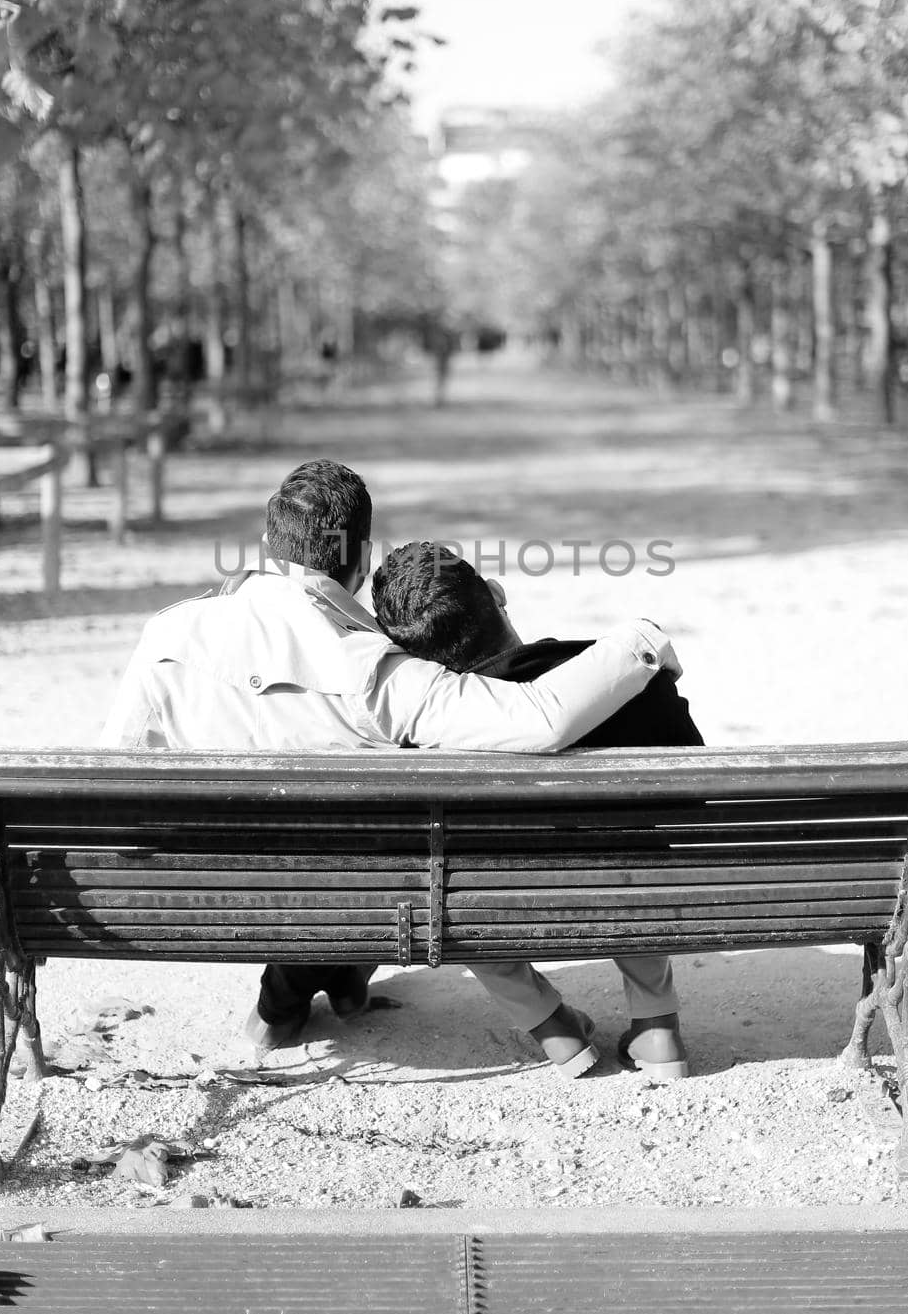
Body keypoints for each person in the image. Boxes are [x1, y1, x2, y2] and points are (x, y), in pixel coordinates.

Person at [101, 460, 683, 1079]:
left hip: (208, 900)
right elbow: (537, 720)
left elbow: (114, 772)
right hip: (346, 897)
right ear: (359, 559)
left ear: (268, 548)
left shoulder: (165, 633)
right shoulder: (373, 669)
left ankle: (294, 998)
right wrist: (638, 643)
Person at [371, 540, 705, 1080]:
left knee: (447, 883)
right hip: (637, 890)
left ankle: (553, 1028)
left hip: (501, 906)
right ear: (498, 596)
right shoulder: (631, 683)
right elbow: (692, 801)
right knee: (634, 847)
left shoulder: (427, 736)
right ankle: (657, 1026)